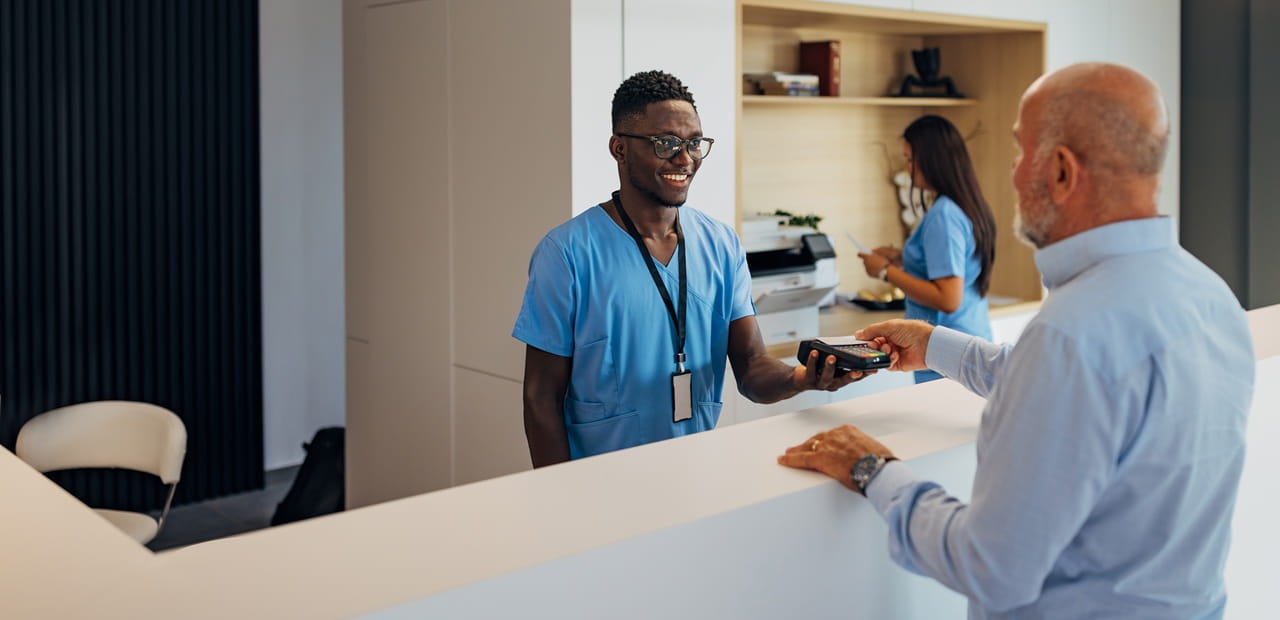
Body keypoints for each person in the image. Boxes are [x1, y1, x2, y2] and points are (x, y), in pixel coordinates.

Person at [778, 62, 1256, 618]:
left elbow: (992, 567)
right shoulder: (1210, 295)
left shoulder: (1073, 333)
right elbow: (1075, 394)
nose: (1011, 171)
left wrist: (873, 469)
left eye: (1019, 150)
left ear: (1061, 171)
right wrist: (933, 344)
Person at [514, 70, 866, 467]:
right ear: (619, 149)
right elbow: (540, 397)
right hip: (598, 476)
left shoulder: (721, 245)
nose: (684, 159)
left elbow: (752, 369)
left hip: (695, 468)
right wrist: (558, 492)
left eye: (694, 143)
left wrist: (803, 378)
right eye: (665, 143)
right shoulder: (566, 253)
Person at [857, 115, 997, 383]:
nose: (906, 168)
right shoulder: (963, 206)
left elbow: (948, 298)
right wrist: (903, 258)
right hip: (967, 341)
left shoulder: (943, 215)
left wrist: (885, 271)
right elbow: (955, 264)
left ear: (932, 160)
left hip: (946, 353)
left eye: (910, 160)